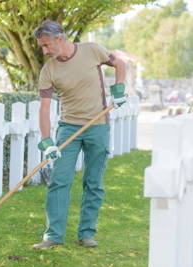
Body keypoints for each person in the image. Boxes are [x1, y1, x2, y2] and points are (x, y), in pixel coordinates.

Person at [32, 20, 127, 249]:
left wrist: (119, 89)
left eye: (46, 45)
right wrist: (47, 141)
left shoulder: (92, 50)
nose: (44, 51)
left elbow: (120, 64)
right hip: (69, 128)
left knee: (93, 182)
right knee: (59, 180)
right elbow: (44, 108)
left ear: (60, 39)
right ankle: (53, 235)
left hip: (98, 125)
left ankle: (87, 233)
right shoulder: (49, 70)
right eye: (42, 47)